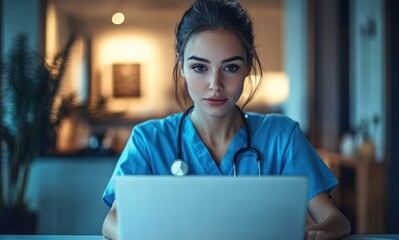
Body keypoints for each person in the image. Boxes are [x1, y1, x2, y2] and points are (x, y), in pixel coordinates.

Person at [102, 0, 351, 239]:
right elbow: (112, 221)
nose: (215, 85)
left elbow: (335, 219)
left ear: (248, 66)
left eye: (230, 68)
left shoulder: (282, 137)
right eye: (200, 68)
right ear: (181, 67)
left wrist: (318, 233)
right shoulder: (148, 141)